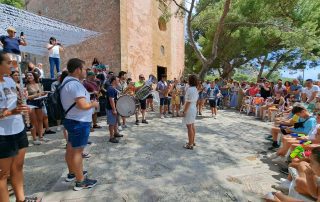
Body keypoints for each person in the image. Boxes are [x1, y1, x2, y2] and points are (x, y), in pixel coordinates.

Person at [0, 51, 39, 202]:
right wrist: (12, 111)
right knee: (3, 174)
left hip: (18, 128)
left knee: (18, 167)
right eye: (8, 63)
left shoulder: (9, 81)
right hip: (2, 134)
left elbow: (14, 104)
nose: (12, 65)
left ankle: (21, 199)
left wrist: (21, 103)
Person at [60, 58, 99, 191]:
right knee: (78, 152)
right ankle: (80, 181)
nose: (85, 71)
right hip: (79, 122)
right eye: (84, 69)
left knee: (71, 148)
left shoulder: (66, 81)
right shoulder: (75, 84)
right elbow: (82, 105)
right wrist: (93, 104)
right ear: (78, 70)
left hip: (72, 120)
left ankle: (73, 173)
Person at [26, 71, 47, 145]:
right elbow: (27, 97)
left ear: (34, 76)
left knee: (40, 120)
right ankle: (34, 138)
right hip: (31, 103)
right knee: (33, 122)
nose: (29, 77)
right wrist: (36, 95)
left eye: (30, 75)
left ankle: (41, 136)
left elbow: (41, 93)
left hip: (39, 102)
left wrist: (44, 93)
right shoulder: (26, 85)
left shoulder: (39, 84)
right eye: (27, 76)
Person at [182, 75, 199, 150]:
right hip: (193, 108)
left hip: (189, 108)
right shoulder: (195, 89)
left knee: (189, 126)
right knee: (192, 125)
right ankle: (192, 141)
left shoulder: (190, 89)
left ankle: (190, 144)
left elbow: (188, 102)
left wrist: (184, 111)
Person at [106, 76, 123, 143]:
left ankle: (116, 133)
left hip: (114, 108)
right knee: (112, 123)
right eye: (117, 80)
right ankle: (111, 137)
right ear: (114, 81)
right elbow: (111, 100)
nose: (118, 81)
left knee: (115, 122)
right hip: (111, 108)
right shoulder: (110, 89)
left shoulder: (113, 88)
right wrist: (114, 109)